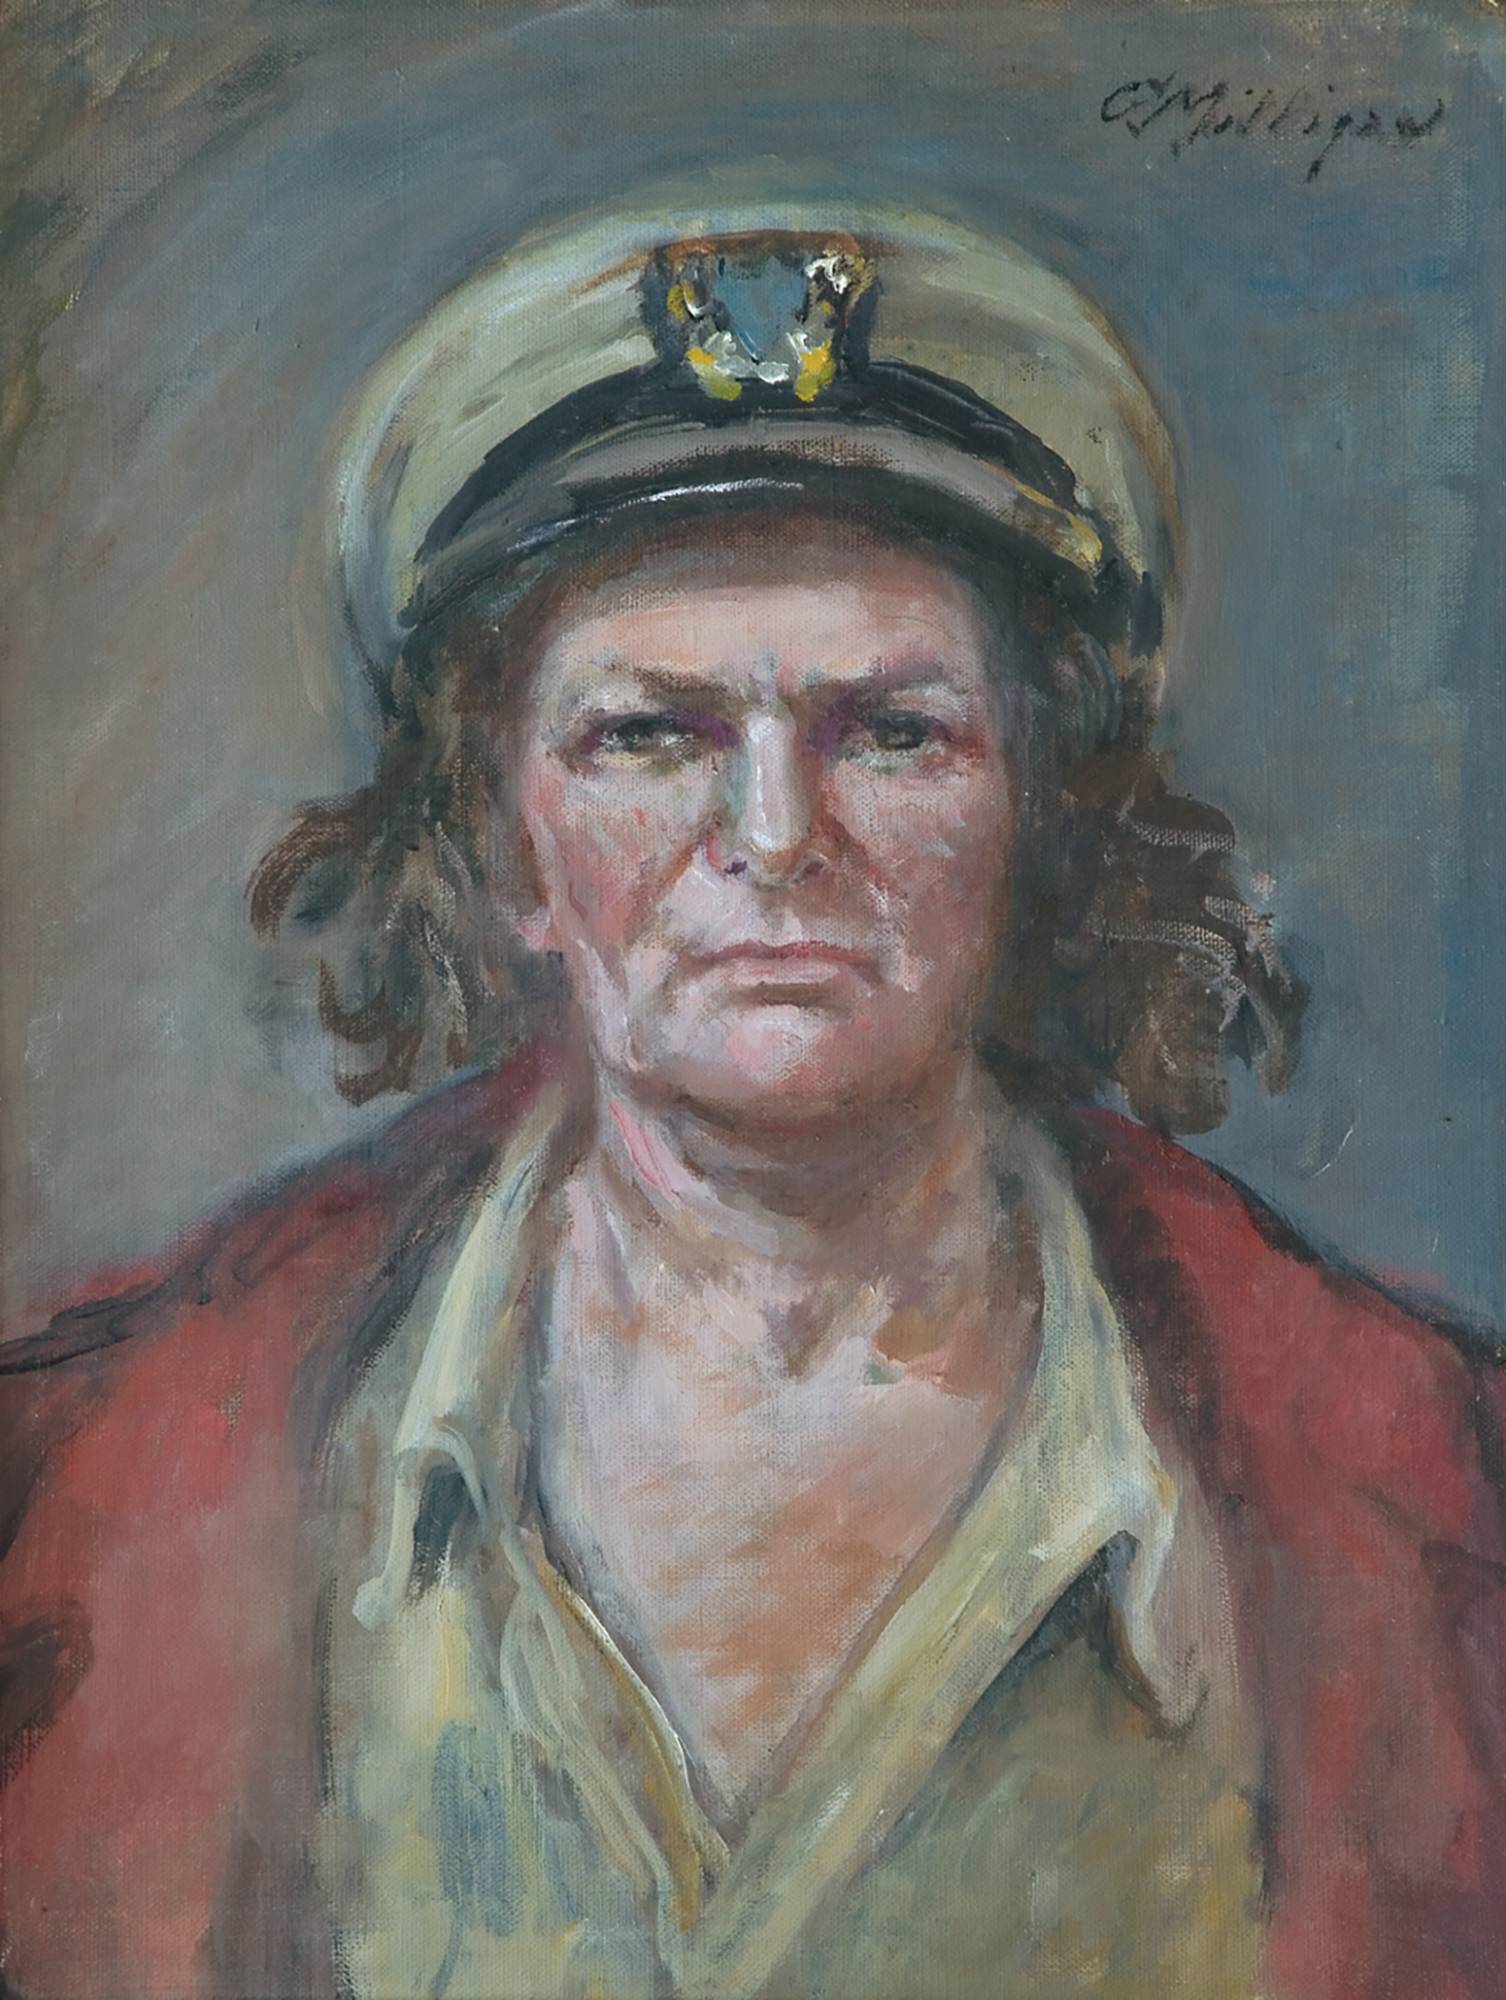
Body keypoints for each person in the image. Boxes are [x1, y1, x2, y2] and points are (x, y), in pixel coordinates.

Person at [3, 215, 1505, 2000]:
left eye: (892, 732)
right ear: (500, 845)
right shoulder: (74, 1485)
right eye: (648, 735)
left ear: (1040, 815)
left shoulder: (1440, 1504)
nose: (777, 838)